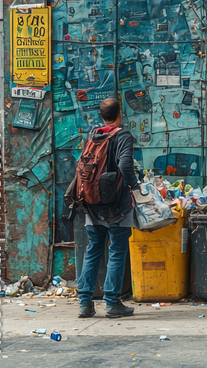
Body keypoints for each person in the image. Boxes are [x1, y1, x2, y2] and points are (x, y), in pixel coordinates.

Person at [77, 97, 140, 319]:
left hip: (91, 204)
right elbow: (124, 164)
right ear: (120, 113)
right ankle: (112, 303)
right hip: (116, 205)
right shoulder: (122, 135)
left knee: (93, 251)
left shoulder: (93, 135)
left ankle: (85, 303)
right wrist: (135, 185)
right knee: (117, 251)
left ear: (102, 115)